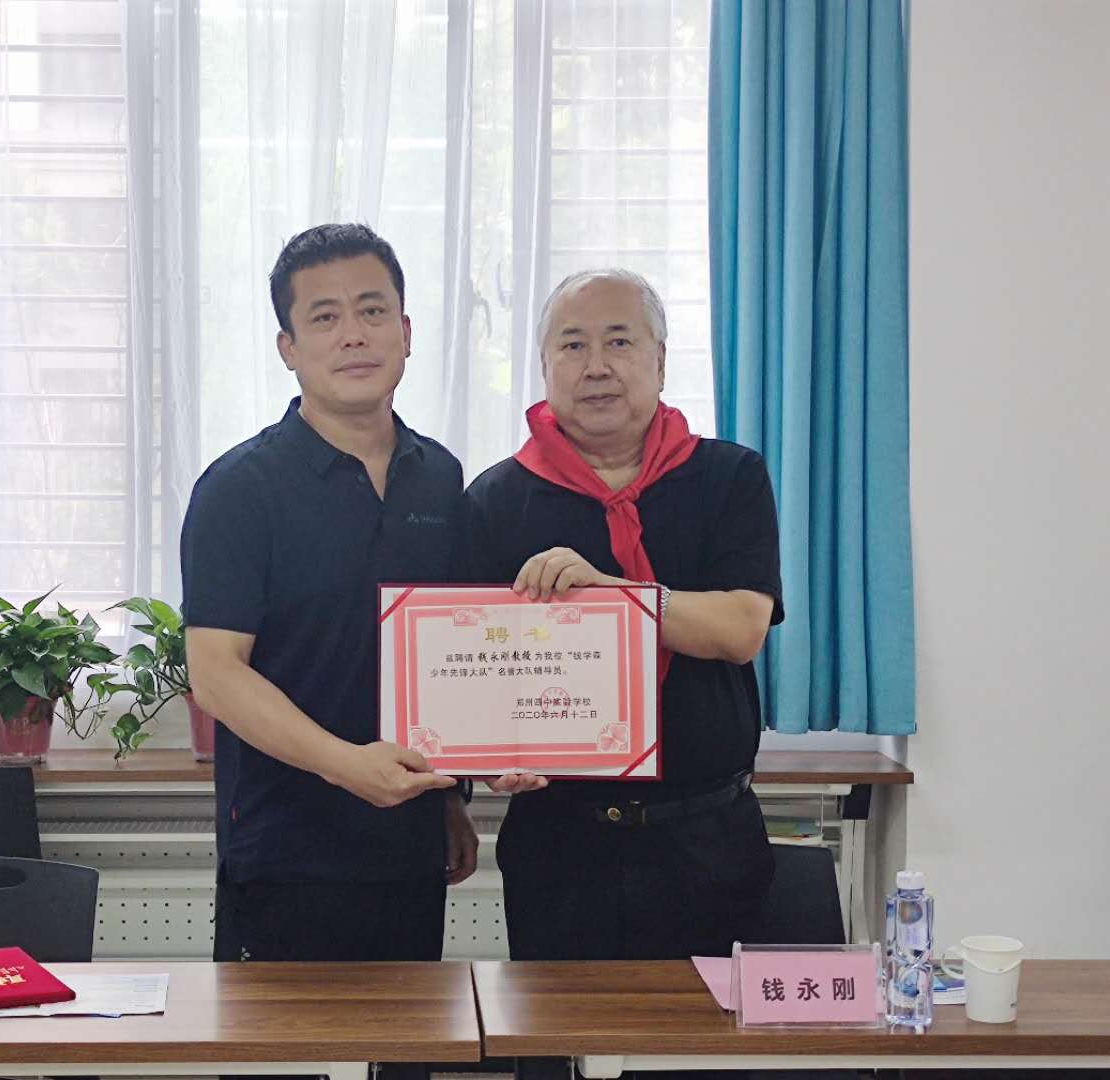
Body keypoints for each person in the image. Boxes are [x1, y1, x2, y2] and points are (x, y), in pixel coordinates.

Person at [465, 268, 783, 972]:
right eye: (573, 345)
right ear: (544, 365)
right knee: (556, 1033)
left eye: (619, 341)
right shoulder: (495, 499)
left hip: (708, 841)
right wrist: (490, 757)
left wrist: (612, 596)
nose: (597, 366)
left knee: (704, 1037)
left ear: (660, 361)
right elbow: (473, 669)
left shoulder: (729, 477)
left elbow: (740, 630)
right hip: (559, 848)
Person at [181, 223, 477, 969]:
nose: (354, 335)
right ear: (288, 347)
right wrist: (347, 766)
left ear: (406, 332)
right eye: (325, 317)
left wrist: (449, 798)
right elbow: (216, 674)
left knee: (408, 1039)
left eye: (373, 311)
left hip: (409, 850)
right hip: (286, 856)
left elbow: (450, 653)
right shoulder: (239, 490)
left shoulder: (441, 478)